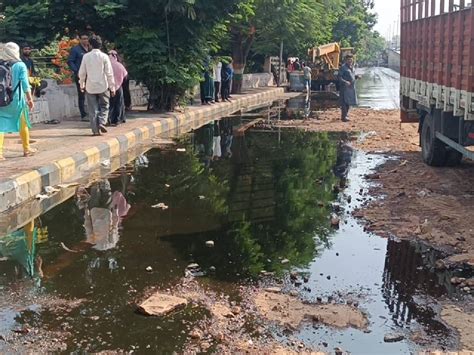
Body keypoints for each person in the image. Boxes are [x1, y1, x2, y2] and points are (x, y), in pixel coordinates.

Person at [0, 42, 36, 160]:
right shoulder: (20, 65)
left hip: (2, 99)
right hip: (17, 100)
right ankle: (26, 149)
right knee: (23, 123)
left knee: (1, 126)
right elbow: (25, 85)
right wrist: (30, 99)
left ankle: (0, 154)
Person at [78, 35, 115, 136]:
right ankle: (102, 122)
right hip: (103, 85)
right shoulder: (104, 57)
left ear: (89, 44)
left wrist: (82, 84)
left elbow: (82, 72)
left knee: (92, 109)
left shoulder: (86, 56)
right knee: (105, 105)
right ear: (101, 45)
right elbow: (109, 73)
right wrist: (112, 87)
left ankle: (95, 131)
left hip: (90, 86)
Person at [67, 32, 90, 121]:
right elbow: (70, 61)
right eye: (83, 39)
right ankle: (83, 115)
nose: (85, 40)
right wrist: (76, 71)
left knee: (93, 94)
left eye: (86, 39)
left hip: (91, 75)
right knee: (82, 95)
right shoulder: (75, 50)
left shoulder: (90, 49)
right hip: (80, 76)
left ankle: (93, 112)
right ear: (80, 40)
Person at [108, 50, 128, 126]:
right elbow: (125, 75)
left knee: (110, 104)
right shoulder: (119, 65)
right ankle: (118, 119)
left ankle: (109, 119)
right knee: (119, 103)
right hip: (118, 86)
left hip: (108, 87)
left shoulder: (106, 65)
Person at [338, 54, 358, 122]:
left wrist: (357, 77)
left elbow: (352, 76)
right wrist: (345, 82)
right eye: (348, 59)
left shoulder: (352, 67)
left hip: (351, 88)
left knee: (348, 103)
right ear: (346, 60)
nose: (350, 61)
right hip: (345, 88)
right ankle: (343, 117)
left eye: (351, 59)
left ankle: (346, 115)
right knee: (344, 102)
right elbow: (339, 77)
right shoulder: (343, 68)